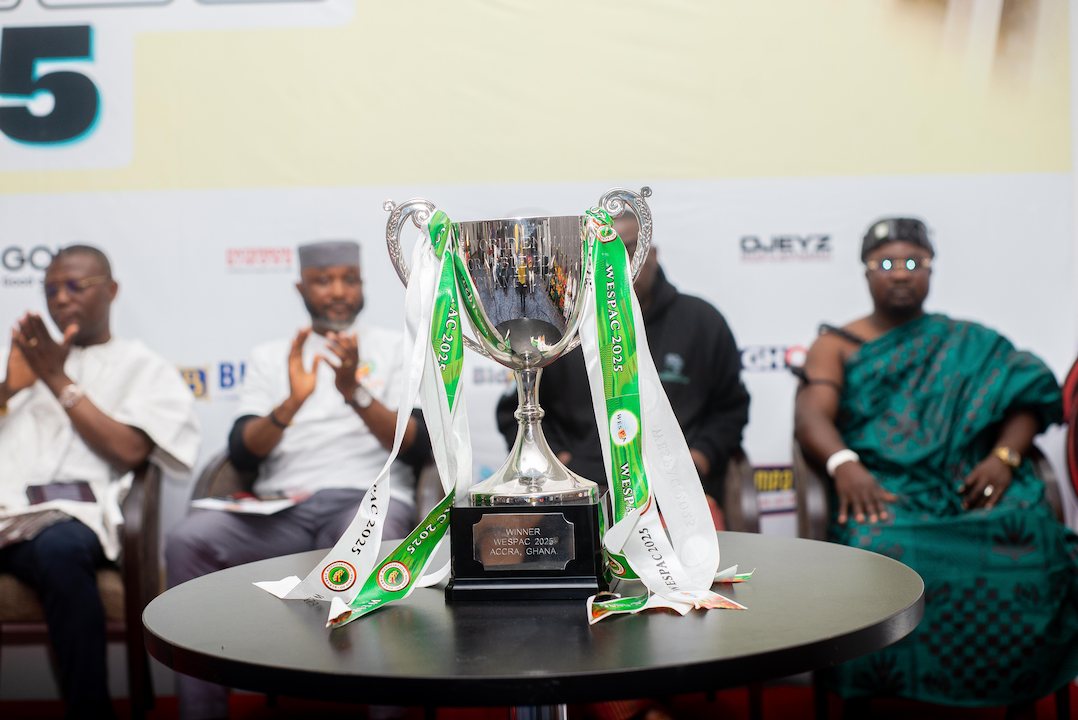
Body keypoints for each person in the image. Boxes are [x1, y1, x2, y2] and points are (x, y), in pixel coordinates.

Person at [794, 217, 1078, 711]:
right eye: (886, 263)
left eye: (913, 261)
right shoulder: (836, 344)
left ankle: (1014, 686)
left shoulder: (969, 341)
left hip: (966, 485)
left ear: (931, 269)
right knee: (875, 546)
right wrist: (844, 464)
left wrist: (1005, 457)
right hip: (887, 487)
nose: (900, 273)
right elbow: (811, 414)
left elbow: (1030, 392)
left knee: (1031, 532)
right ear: (865, 272)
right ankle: (882, 695)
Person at [166, 239, 430, 720]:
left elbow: (418, 445)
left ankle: (387, 713)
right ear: (301, 288)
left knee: (376, 541)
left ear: (362, 286)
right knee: (189, 539)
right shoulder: (272, 356)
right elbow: (244, 451)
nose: (338, 291)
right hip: (282, 508)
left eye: (349, 280)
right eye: (323, 280)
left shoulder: (397, 348)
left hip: (365, 501)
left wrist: (354, 392)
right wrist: (292, 402)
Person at [0, 244, 200, 719]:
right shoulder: (21, 363)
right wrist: (11, 388)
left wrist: (57, 380)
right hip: (7, 515)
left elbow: (130, 451)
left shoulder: (142, 366)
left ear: (111, 290)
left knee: (60, 548)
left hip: (80, 520)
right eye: (51, 289)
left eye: (75, 286)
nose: (60, 299)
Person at [496, 214, 750, 521]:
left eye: (627, 249)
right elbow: (517, 408)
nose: (619, 264)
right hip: (582, 492)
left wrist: (701, 457)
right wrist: (562, 464)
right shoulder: (559, 328)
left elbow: (731, 408)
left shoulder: (702, 322)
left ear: (651, 252)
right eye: (604, 253)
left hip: (676, 494)